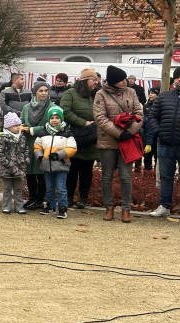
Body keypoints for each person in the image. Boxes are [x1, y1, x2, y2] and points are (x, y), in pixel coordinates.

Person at [93, 65, 144, 222]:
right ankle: (109, 207)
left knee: (125, 176)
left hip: (128, 139)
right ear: (113, 81)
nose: (125, 82)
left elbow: (139, 113)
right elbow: (100, 118)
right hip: (108, 140)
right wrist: (118, 133)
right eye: (121, 80)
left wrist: (130, 132)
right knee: (107, 175)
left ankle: (126, 209)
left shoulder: (132, 92)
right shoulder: (100, 94)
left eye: (125, 79)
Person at [145, 66, 180, 218]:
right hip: (164, 143)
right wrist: (158, 131)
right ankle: (164, 205)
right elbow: (152, 116)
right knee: (165, 176)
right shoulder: (164, 96)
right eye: (177, 76)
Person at [61, 68, 100, 209]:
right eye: (93, 80)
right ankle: (70, 197)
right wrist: (83, 122)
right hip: (75, 136)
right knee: (72, 170)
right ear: (85, 80)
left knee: (87, 171)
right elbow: (65, 111)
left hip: (92, 138)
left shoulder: (97, 94)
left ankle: (83, 198)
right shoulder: (70, 93)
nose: (96, 82)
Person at [33, 105, 77, 218]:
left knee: (61, 187)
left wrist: (59, 155)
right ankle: (51, 206)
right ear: (49, 119)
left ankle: (62, 208)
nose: (54, 120)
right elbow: (37, 146)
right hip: (47, 164)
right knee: (49, 187)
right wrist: (40, 156)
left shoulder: (67, 133)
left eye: (57, 117)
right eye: (52, 118)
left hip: (61, 165)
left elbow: (72, 148)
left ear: (61, 119)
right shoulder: (43, 132)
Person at [20, 81, 52, 210]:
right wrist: (21, 127)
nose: (44, 93)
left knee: (41, 172)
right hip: (28, 142)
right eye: (41, 91)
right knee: (30, 172)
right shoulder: (27, 107)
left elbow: (51, 125)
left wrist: (33, 130)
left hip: (43, 142)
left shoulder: (51, 107)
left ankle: (40, 199)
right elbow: (22, 120)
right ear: (35, 92)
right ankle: (32, 198)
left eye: (46, 90)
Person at [0, 111, 29, 214]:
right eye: (15, 125)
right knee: (7, 188)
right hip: (7, 169)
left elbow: (26, 150)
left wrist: (26, 160)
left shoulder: (22, 137)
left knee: (18, 188)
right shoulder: (2, 138)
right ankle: (6, 206)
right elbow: (0, 154)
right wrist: (9, 164)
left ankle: (19, 206)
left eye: (18, 125)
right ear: (8, 127)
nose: (18, 127)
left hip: (19, 168)